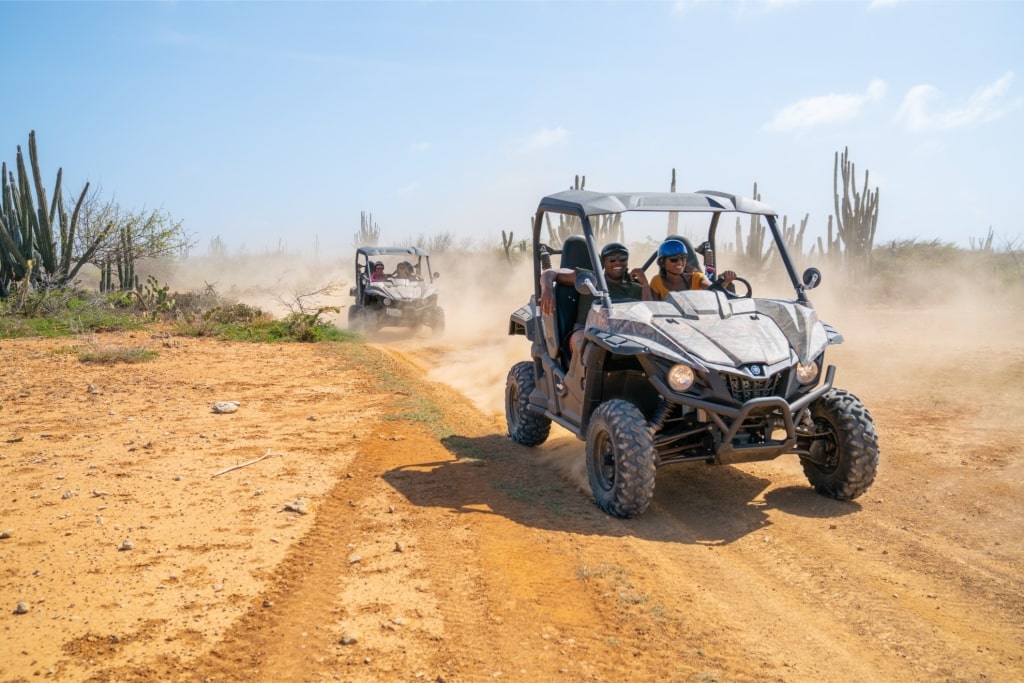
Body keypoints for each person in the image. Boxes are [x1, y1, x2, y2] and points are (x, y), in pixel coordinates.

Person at [539, 241, 651, 356]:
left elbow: (650, 314)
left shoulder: (636, 287)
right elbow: (550, 273)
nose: (618, 262)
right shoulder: (590, 278)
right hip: (588, 330)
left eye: (623, 258)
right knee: (588, 346)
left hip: (626, 333)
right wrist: (547, 290)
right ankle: (583, 373)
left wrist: (646, 285)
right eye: (612, 259)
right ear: (603, 263)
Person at [649, 239, 738, 300]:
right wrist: (645, 284)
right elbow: (651, 308)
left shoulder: (697, 278)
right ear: (662, 262)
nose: (680, 262)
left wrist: (723, 282)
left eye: (683, 258)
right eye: (674, 259)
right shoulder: (657, 282)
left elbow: (712, 289)